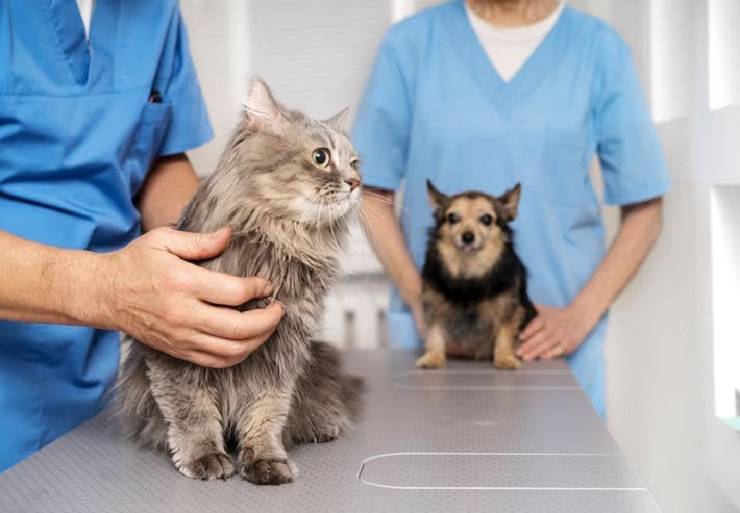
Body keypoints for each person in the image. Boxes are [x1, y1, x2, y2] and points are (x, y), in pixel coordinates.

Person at [0, 0, 284, 472]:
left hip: (107, 379)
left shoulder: (156, 11)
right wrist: (107, 289)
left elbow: (154, 160)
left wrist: (229, 255)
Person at [353, 0, 669, 416]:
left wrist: (580, 315)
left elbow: (645, 207)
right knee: (431, 473)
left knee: (560, 478)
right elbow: (371, 192)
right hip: (437, 346)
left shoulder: (599, 50)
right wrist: (425, 303)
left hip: (550, 349)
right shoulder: (409, 45)